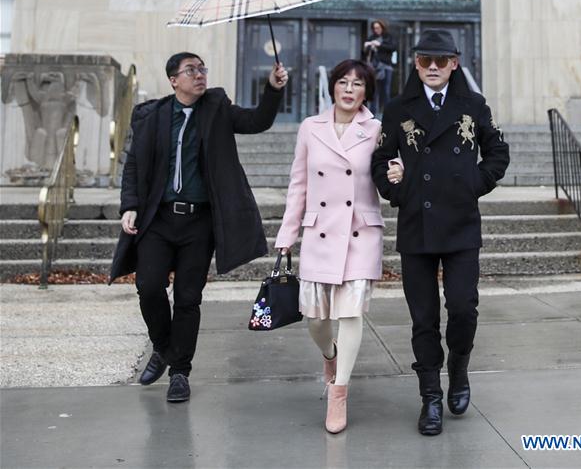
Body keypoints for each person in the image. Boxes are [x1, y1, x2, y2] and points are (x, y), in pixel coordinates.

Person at [109, 51, 288, 403]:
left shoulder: (217, 107)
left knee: (189, 298)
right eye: (191, 70)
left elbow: (257, 121)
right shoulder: (151, 116)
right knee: (148, 287)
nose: (200, 74)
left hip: (198, 222)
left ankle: (179, 373)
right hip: (158, 219)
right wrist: (129, 206)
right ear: (173, 80)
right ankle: (163, 348)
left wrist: (272, 89)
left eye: (203, 68)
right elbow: (132, 166)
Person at [371, 29, 509, 436]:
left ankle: (459, 369)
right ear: (415, 64)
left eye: (441, 60)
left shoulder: (474, 105)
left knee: (463, 307)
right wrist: (397, 189)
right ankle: (430, 397)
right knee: (423, 317)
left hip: (461, 222)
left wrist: (474, 184)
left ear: (454, 63)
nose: (433, 67)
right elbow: (380, 160)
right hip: (417, 223)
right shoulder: (398, 108)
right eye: (425, 60)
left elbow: (498, 152)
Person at [275, 59, 382, 434]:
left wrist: (399, 169)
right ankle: (330, 355)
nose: (349, 89)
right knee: (317, 320)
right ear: (333, 87)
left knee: (351, 314)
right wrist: (287, 236)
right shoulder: (310, 127)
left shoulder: (376, 130)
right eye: (343, 82)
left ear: (367, 92)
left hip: (360, 233)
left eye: (358, 83)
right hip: (319, 232)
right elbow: (299, 185)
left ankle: (339, 393)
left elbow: (388, 170)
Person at [363, 19, 395, 118]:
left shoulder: (388, 37)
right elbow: (365, 53)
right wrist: (368, 45)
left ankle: (387, 113)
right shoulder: (372, 37)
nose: (376, 30)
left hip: (386, 67)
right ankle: (373, 114)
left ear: (382, 27)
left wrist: (379, 45)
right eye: (374, 28)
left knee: (386, 91)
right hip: (375, 67)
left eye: (378, 28)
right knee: (374, 91)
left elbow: (393, 47)